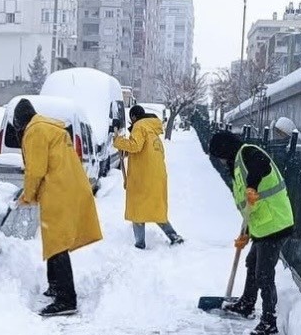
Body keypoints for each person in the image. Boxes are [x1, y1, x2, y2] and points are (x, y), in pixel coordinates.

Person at [207, 126, 295, 335]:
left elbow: (261, 165)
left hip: (275, 224)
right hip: (264, 226)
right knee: (252, 263)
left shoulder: (248, 153)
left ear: (226, 150)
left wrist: (252, 186)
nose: (220, 162)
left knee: (264, 273)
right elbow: (248, 207)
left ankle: (269, 322)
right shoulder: (237, 164)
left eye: (220, 157)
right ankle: (247, 304)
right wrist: (246, 233)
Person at [17, 98, 102, 317]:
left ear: (20, 121)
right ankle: (55, 285)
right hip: (70, 186)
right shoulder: (51, 128)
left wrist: (28, 195)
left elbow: (35, 170)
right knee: (54, 238)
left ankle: (66, 299)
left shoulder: (36, 131)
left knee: (57, 242)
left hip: (59, 190)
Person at [113, 104, 183, 249]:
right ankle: (173, 235)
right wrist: (125, 151)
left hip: (143, 178)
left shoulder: (139, 126)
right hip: (157, 177)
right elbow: (142, 150)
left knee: (137, 210)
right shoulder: (152, 131)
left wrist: (118, 141)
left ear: (133, 117)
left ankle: (140, 243)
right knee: (156, 209)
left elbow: (135, 146)